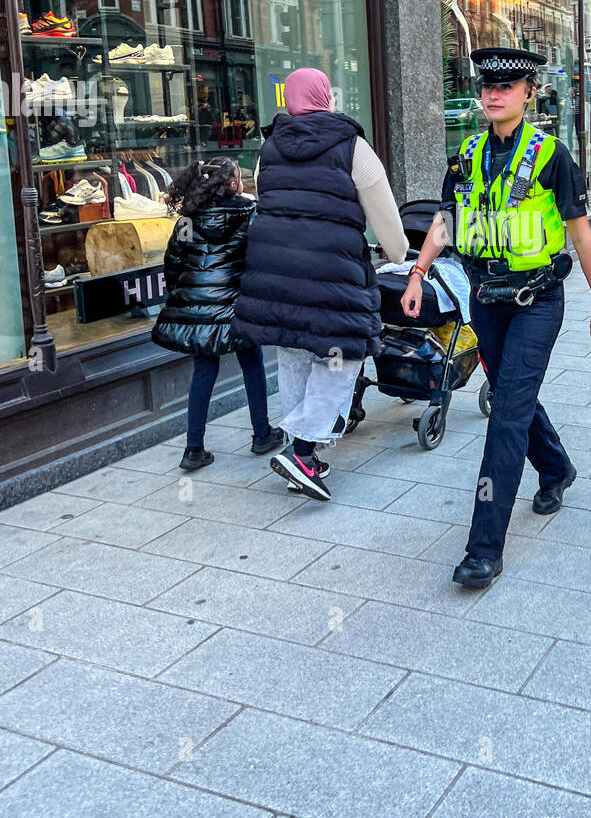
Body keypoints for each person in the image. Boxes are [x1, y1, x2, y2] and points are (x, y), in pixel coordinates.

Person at [402, 46, 591, 590]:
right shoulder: (467, 153)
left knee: (505, 416)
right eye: (487, 86)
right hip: (486, 299)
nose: (494, 94)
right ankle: (556, 467)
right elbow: (446, 221)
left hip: (537, 301)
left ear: (528, 93)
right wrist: (418, 272)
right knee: (512, 393)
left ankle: (483, 548)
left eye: (507, 85)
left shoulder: (552, 155)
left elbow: (579, 231)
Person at [232, 68, 408, 501]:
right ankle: (305, 450)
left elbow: (268, 202)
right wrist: (400, 253)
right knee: (340, 355)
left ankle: (299, 452)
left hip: (275, 274)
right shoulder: (354, 148)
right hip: (331, 276)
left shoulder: (269, 148)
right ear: (326, 97)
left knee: (292, 350)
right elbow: (384, 214)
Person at [152, 157, 283, 472]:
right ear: (233, 182)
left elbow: (173, 264)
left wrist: (182, 296)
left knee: (203, 372)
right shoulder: (249, 213)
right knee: (252, 365)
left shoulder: (187, 221)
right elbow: (263, 258)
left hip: (196, 308)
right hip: (239, 304)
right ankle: (261, 434)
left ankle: (193, 448)